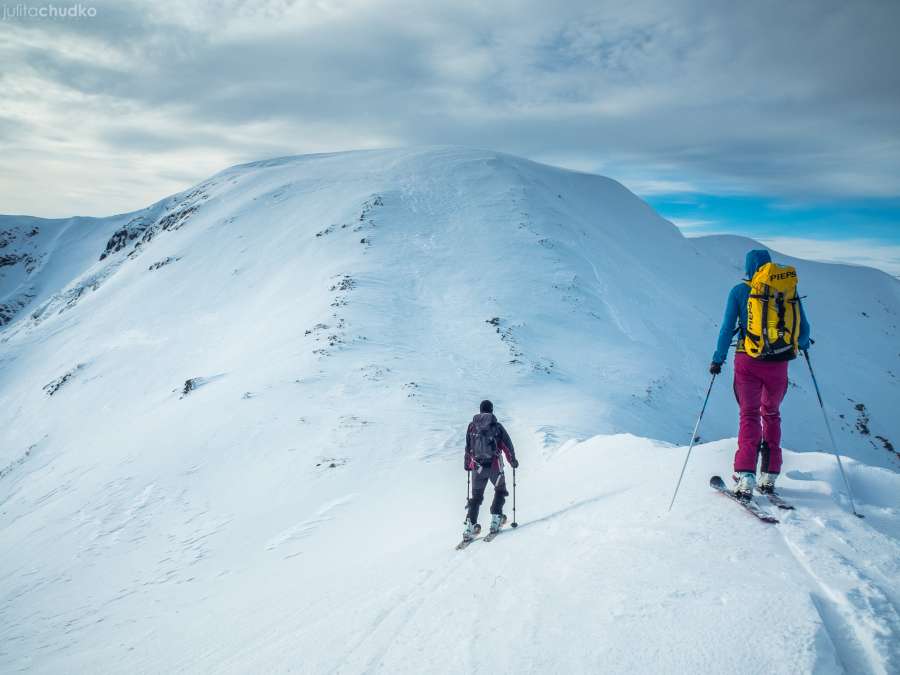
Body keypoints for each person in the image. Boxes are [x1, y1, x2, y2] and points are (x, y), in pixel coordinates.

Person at [710, 249, 810, 498]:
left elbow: (726, 329)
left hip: (747, 361)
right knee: (772, 414)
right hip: (779, 364)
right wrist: (805, 345)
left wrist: (718, 359)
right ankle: (770, 474)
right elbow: (803, 330)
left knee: (749, 415)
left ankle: (746, 475)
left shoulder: (739, 291)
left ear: (748, 267)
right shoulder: (786, 290)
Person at [463, 400, 518, 541]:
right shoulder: (496, 426)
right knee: (500, 490)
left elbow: (468, 448)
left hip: (477, 468)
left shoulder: (471, 427)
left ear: (480, 410)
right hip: (494, 466)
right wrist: (512, 460)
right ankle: (496, 519)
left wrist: (467, 465)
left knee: (475, 498)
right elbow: (507, 444)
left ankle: (469, 527)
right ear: (492, 410)